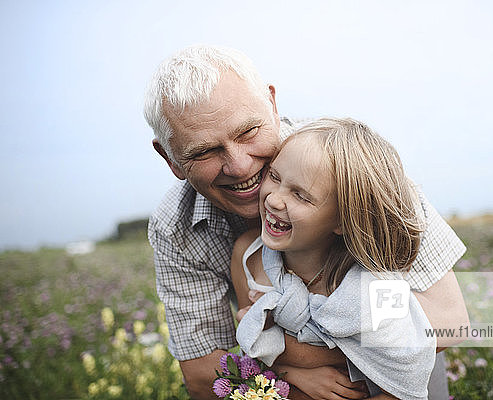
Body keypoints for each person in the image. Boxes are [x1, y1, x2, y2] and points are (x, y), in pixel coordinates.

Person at [144, 44, 469, 400]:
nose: (240, 166)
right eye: (204, 151)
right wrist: (290, 374)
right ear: (171, 159)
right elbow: (203, 375)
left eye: (248, 131)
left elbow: (450, 322)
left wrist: (288, 353)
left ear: (271, 104)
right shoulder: (182, 231)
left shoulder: (353, 165)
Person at [232, 117, 437, 399]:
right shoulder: (250, 257)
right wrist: (296, 375)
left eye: (301, 196)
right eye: (275, 177)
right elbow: (253, 354)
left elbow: (407, 377)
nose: (274, 200)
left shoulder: (372, 289)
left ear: (343, 220)